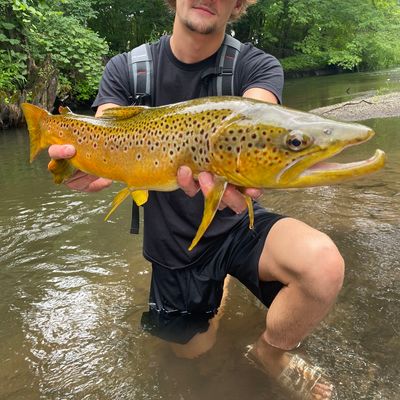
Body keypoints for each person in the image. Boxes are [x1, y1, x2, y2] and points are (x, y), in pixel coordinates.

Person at [49, 1, 343, 398]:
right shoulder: (127, 69)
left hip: (239, 224)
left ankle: (270, 351)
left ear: (239, 4)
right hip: (173, 246)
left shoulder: (255, 66)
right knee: (190, 355)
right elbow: (107, 133)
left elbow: (261, 118)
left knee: (323, 266)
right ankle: (216, 293)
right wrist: (87, 166)